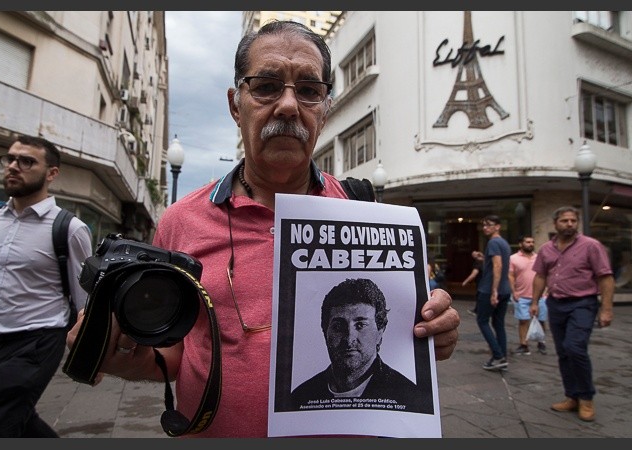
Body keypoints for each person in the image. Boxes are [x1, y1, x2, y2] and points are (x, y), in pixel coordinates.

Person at [67, 20, 460, 438]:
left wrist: (436, 330)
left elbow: (420, 325)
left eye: (309, 90)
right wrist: (128, 357)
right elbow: (178, 351)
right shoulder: (181, 222)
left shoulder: (365, 215)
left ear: (324, 110)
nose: (289, 105)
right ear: (236, 104)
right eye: (267, 86)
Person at [0, 135, 93, 437]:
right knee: (15, 417)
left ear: (52, 173)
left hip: (36, 341)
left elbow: (85, 297)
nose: (14, 167)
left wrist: (90, 353)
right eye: (10, 159)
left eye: (27, 161)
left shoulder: (69, 228)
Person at [290, 278, 432, 413]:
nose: (349, 339)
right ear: (325, 331)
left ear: (380, 332)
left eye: (360, 325)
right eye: (338, 326)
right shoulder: (299, 397)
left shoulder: (409, 395)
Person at [531, 206, 614, 422]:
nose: (569, 224)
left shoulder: (591, 246)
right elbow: (540, 276)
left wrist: (606, 309)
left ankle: (586, 397)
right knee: (563, 352)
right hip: (556, 304)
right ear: (555, 223)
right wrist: (534, 302)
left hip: (583, 304)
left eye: (573, 221)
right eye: (564, 221)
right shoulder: (547, 249)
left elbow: (605, 277)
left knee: (575, 347)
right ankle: (572, 396)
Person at [476, 215, 512, 370]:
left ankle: (498, 355)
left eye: (489, 225)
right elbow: (496, 263)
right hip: (505, 289)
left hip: (490, 289)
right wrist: (483, 258)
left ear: (498, 226)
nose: (485, 227)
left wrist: (493, 291)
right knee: (499, 324)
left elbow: (497, 266)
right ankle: (502, 357)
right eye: (484, 225)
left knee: (482, 321)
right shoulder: (503, 243)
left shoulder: (493, 242)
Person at [509, 235, 548, 356]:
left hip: (540, 296)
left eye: (532, 242)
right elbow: (510, 275)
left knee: (541, 320)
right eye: (528, 242)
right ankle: (523, 345)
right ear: (521, 244)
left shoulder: (539, 258)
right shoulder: (513, 258)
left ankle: (541, 342)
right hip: (522, 296)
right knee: (523, 321)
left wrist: (546, 291)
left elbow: (545, 274)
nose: (531, 244)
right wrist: (514, 291)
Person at [461, 250, 483, 316]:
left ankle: (477, 311)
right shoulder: (486, 261)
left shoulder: (477, 263)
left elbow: (474, 274)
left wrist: (465, 281)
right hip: (487, 281)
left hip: (481, 282)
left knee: (479, 297)